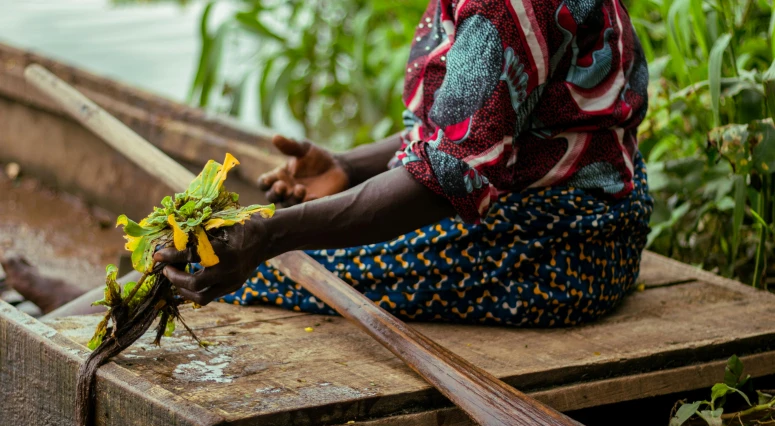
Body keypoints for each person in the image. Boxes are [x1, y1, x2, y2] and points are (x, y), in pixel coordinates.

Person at [5, 0, 652, 327]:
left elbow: (444, 178)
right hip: (568, 213)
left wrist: (269, 239)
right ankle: (106, 301)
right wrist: (346, 164)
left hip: (557, 248)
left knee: (278, 267)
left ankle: (88, 314)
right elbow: (470, 135)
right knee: (260, 238)